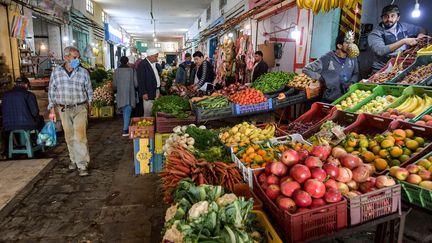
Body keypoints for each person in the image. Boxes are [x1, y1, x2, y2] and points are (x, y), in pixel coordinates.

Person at [48, 46, 93, 177]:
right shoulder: (56, 73)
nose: (77, 60)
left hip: (80, 107)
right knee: (69, 137)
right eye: (75, 58)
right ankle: (74, 159)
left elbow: (89, 90)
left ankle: (82, 164)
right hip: (63, 109)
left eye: (78, 58)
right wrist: (52, 110)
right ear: (66, 57)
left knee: (80, 136)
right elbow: (52, 91)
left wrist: (89, 106)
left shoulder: (83, 72)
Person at [368, 4, 427, 72]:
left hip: (401, 66)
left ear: (398, 17)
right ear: (382, 18)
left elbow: (422, 29)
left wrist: (421, 34)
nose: (389, 19)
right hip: (382, 69)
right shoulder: (375, 34)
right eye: (386, 16)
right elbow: (381, 51)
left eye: (392, 16)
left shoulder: (404, 26)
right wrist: (403, 41)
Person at [303, 34, 359, 103]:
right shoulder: (327, 58)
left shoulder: (352, 58)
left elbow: (356, 73)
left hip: (348, 99)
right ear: (339, 46)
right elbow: (306, 69)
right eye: (347, 43)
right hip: (330, 99)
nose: (351, 45)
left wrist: (352, 82)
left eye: (351, 42)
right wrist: (321, 78)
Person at [113, 56, 138, 136]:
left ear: (120, 62)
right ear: (127, 62)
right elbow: (136, 84)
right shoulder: (132, 70)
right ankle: (125, 130)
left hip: (120, 94)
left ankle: (126, 128)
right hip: (130, 94)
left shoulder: (116, 71)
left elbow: (114, 84)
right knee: (127, 111)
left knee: (125, 111)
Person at [136, 48, 161, 117]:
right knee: (148, 111)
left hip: (155, 90)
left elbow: (155, 75)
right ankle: (148, 127)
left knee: (155, 109)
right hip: (148, 92)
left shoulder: (153, 64)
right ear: (149, 56)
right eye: (155, 56)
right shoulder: (142, 64)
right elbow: (141, 80)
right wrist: (144, 93)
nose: (156, 58)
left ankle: (155, 125)